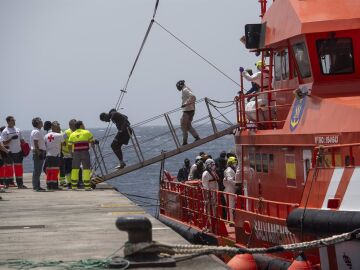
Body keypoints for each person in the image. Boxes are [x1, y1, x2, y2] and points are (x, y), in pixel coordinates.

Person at [1, 116, 27, 189]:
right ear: (8, 121)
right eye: (12, 120)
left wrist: (25, 148)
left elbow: (22, 140)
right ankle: (7, 184)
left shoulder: (18, 129)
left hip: (18, 152)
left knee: (19, 168)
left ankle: (20, 184)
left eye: (14, 120)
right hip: (9, 152)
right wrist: (11, 138)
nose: (14, 121)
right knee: (8, 169)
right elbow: (3, 143)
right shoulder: (5, 131)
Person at [68, 120, 94, 190]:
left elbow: (69, 145)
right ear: (81, 125)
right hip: (85, 152)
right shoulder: (87, 132)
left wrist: (71, 154)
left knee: (75, 169)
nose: (84, 125)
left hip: (76, 153)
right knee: (86, 169)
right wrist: (92, 145)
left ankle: (73, 186)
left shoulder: (72, 134)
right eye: (83, 124)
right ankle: (87, 186)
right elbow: (92, 142)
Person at [176, 80, 200, 145]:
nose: (177, 88)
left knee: (183, 125)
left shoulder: (185, 90)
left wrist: (186, 104)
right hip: (190, 110)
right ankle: (196, 137)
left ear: (180, 85)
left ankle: (185, 142)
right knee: (188, 126)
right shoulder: (186, 89)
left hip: (187, 110)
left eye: (177, 86)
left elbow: (193, 96)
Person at [44, 121, 66, 190]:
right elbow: (64, 143)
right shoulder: (59, 135)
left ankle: (48, 185)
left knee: (49, 171)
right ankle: (54, 186)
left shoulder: (46, 135)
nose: (59, 128)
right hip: (56, 155)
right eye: (58, 127)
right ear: (54, 127)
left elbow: (45, 144)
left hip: (48, 155)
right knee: (55, 171)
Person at [202, 158, 220, 230]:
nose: (213, 166)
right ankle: (208, 223)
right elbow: (205, 185)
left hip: (214, 193)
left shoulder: (213, 172)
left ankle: (214, 221)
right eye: (212, 165)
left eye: (214, 164)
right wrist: (207, 195)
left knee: (214, 207)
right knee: (208, 209)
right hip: (209, 194)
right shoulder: (206, 174)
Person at [29, 117, 47, 191]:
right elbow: (36, 143)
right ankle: (36, 186)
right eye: (40, 121)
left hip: (39, 151)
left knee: (38, 170)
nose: (42, 122)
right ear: (37, 123)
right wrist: (39, 153)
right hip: (38, 152)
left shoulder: (37, 131)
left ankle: (37, 186)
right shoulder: (36, 132)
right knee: (37, 170)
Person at [60, 119, 76, 188]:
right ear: (70, 125)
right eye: (73, 125)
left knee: (75, 168)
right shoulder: (66, 133)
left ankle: (75, 182)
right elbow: (61, 141)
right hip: (67, 154)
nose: (75, 126)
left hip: (76, 154)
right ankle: (69, 183)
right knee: (68, 169)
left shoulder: (77, 132)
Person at [223, 156, 237, 222]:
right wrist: (237, 184)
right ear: (230, 163)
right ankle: (231, 221)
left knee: (232, 206)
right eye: (234, 163)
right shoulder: (229, 170)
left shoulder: (232, 170)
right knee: (231, 207)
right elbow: (230, 180)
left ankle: (231, 220)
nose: (235, 164)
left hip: (231, 189)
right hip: (229, 190)